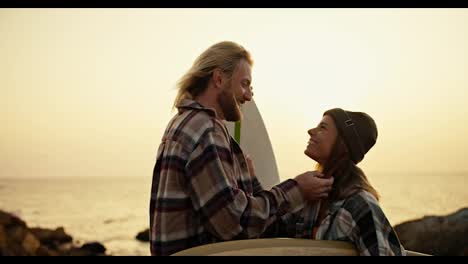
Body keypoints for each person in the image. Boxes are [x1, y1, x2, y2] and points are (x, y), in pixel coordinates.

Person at [149, 41, 334, 256]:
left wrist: (245, 182)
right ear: (219, 79)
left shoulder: (179, 123)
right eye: (244, 84)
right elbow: (233, 224)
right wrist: (297, 190)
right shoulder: (207, 130)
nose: (248, 96)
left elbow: (212, 214)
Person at [277, 108, 406, 255]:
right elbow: (267, 228)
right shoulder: (314, 197)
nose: (311, 131)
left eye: (322, 127)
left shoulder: (360, 203)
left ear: (343, 143)